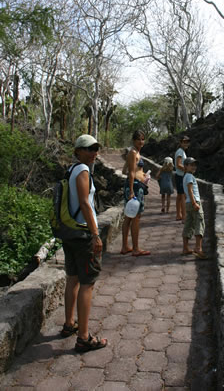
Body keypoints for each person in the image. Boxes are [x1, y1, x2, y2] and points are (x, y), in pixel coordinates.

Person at [61, 134, 107, 353]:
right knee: (87, 283)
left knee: (73, 278)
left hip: (70, 232)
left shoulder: (71, 170)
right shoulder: (83, 170)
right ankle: (84, 337)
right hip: (83, 235)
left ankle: (70, 323)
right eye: (89, 149)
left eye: (95, 148)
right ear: (78, 151)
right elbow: (85, 204)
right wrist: (96, 234)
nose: (93, 153)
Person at [121, 130, 151, 257]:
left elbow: (124, 170)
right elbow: (131, 173)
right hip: (134, 187)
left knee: (129, 216)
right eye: (139, 139)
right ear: (134, 140)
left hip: (137, 185)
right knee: (136, 217)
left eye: (143, 139)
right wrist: (132, 190)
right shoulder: (133, 153)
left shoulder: (135, 153)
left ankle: (125, 247)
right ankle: (136, 248)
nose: (141, 141)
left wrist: (142, 174)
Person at [182, 157, 206, 259]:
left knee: (189, 224)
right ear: (186, 166)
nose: (193, 167)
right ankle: (198, 248)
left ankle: (185, 247)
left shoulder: (186, 177)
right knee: (199, 223)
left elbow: (185, 193)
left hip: (188, 203)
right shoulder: (189, 177)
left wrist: (188, 203)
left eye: (194, 165)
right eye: (191, 165)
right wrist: (194, 203)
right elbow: (190, 190)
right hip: (194, 202)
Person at [174, 136, 190, 221]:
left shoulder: (182, 152)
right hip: (180, 176)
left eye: (187, 142)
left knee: (180, 196)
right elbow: (178, 164)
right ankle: (184, 216)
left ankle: (178, 215)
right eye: (184, 142)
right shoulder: (180, 152)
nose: (186, 143)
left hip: (180, 176)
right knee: (183, 196)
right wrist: (187, 170)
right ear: (180, 143)